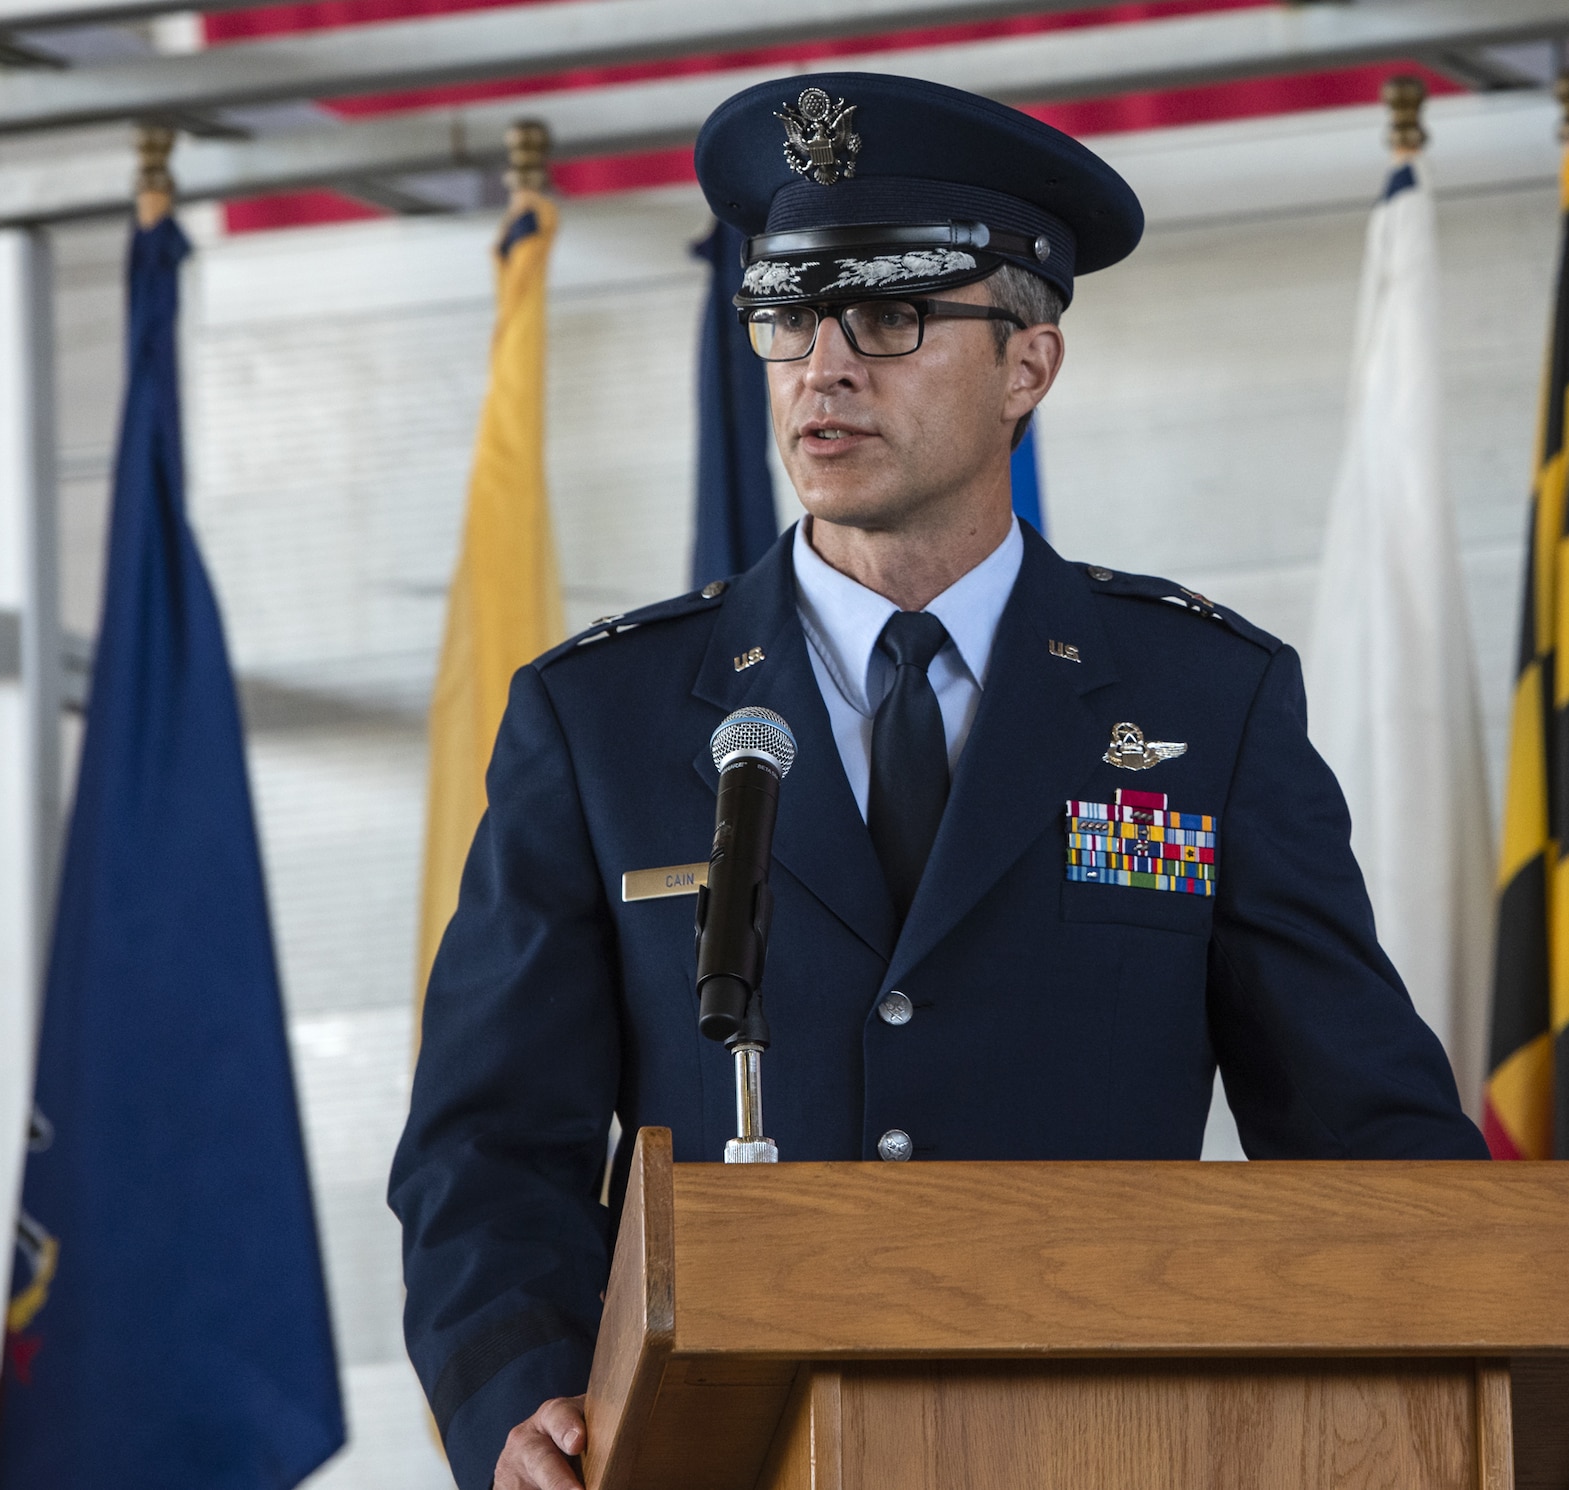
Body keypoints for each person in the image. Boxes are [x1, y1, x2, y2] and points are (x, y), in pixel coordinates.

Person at [389, 71, 1490, 1490]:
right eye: (789, 314)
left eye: (892, 317)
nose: (821, 366)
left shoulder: (1204, 704)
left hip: (1112, 1448)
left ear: (1028, 364)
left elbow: (1362, 1126)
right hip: (724, 1449)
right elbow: (486, 1142)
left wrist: (1535, 1361)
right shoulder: (597, 721)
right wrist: (521, 1394)